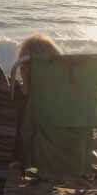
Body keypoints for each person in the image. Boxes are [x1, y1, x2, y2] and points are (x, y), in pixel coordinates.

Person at [12, 33, 63, 162]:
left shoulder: (14, 93)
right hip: (61, 152)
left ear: (23, 67)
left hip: (22, 153)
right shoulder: (64, 97)